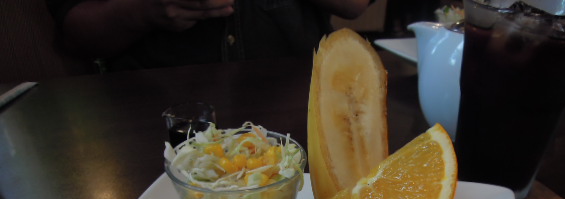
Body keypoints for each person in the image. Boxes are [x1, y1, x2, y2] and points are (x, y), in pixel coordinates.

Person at [45, 0, 371, 71]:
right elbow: (76, 34)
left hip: (303, 102)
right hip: (158, 117)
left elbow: (354, 5)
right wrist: (145, 11)